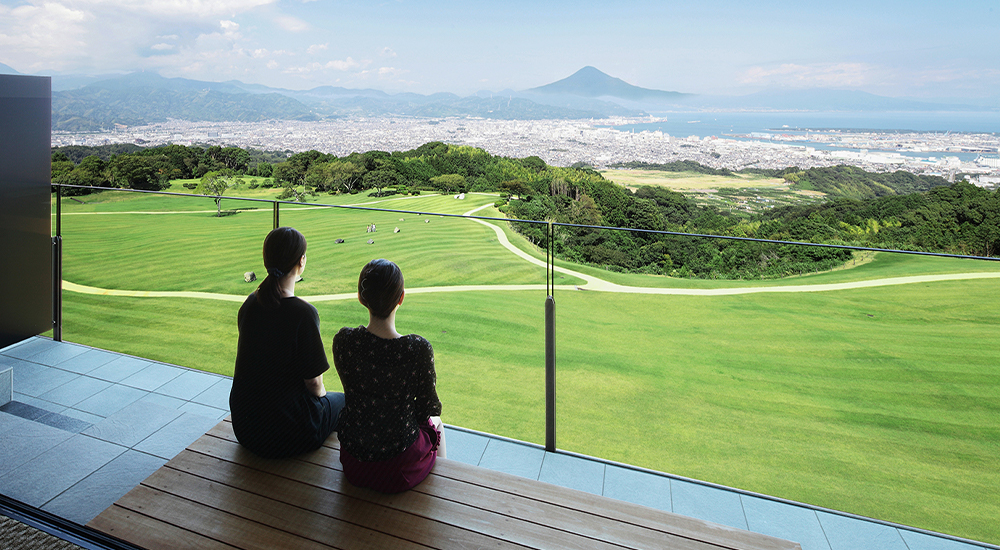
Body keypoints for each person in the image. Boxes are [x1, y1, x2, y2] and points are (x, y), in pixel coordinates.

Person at [230, 227, 345, 458]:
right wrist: (323, 401)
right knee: (343, 401)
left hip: (245, 427)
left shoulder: (250, 304)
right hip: (289, 434)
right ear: (301, 261)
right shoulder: (303, 314)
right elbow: (314, 385)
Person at [333, 258, 445, 493]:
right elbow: (429, 410)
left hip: (354, 463)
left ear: (361, 297)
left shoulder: (344, 341)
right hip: (398, 469)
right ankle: (440, 490)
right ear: (401, 298)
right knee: (437, 425)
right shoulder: (417, 349)